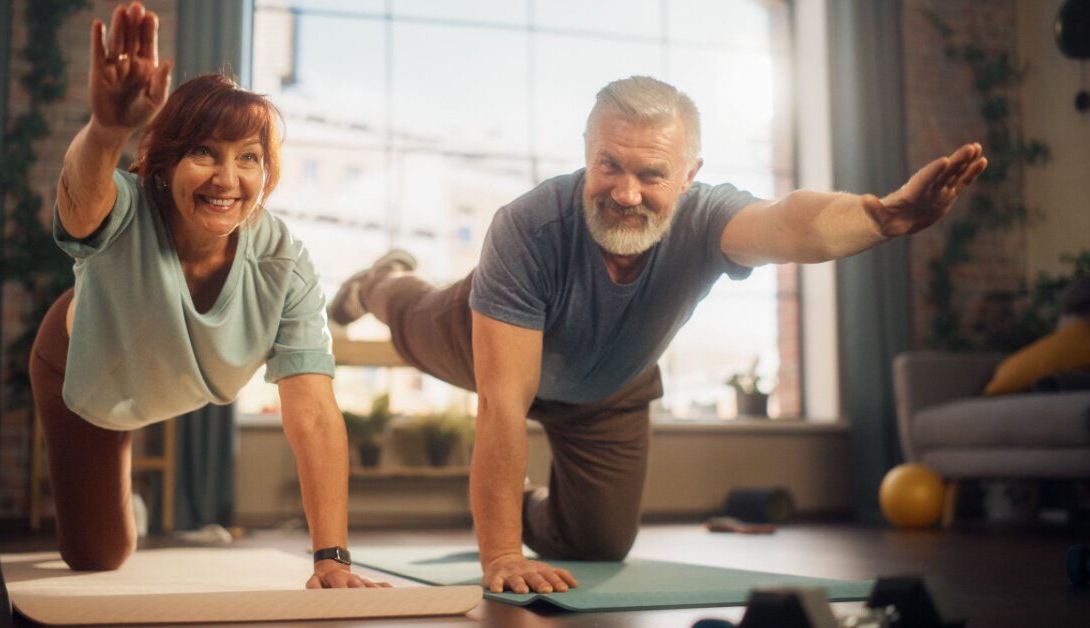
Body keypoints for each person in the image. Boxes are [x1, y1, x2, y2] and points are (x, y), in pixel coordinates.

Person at [328, 75, 987, 595]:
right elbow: (503, 408)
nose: (626, 193)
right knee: (411, 318)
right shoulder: (527, 230)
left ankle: (518, 501)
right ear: (586, 155)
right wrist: (499, 554)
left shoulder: (708, 220)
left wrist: (880, 216)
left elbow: (788, 225)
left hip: (610, 385)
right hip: (493, 344)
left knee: (599, 545)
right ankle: (376, 284)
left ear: (690, 175)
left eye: (652, 174)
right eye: (609, 166)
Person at [28, 2, 385, 588]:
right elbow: (78, 203)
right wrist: (108, 131)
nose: (228, 179)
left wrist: (332, 558)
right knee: (97, 557)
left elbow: (314, 414)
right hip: (85, 360)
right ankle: (120, 503)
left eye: (248, 158)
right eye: (204, 152)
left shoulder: (283, 261)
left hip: (160, 373)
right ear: (165, 165)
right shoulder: (128, 203)